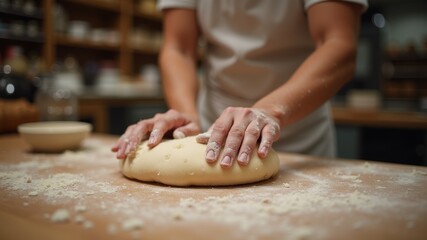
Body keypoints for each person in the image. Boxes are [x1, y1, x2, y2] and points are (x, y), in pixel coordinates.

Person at [112, 0, 368, 168]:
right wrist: (187, 116)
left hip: (301, 138)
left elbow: (339, 45)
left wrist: (269, 112)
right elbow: (178, 48)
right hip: (212, 136)